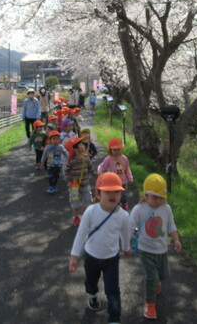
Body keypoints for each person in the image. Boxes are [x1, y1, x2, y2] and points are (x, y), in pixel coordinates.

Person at [69, 172, 131, 324]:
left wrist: (127, 247)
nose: (113, 195)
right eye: (108, 191)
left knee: (113, 291)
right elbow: (81, 234)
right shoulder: (91, 212)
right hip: (91, 257)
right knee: (90, 282)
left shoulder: (123, 216)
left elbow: (125, 234)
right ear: (97, 193)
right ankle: (92, 295)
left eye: (117, 191)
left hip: (111, 258)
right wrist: (74, 255)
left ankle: (114, 318)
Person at [129, 174, 181, 320]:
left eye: (161, 197)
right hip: (145, 250)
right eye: (154, 197)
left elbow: (171, 225)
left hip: (162, 250)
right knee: (151, 277)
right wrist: (125, 242)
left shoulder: (166, 208)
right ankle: (149, 303)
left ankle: (156, 281)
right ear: (145, 195)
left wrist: (176, 240)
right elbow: (130, 225)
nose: (158, 201)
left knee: (163, 274)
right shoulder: (139, 209)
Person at [64, 136, 95, 226]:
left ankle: (87, 215)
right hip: (74, 186)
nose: (83, 144)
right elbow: (66, 172)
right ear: (75, 149)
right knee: (75, 202)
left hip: (85, 184)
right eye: (80, 144)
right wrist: (68, 181)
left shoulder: (86, 158)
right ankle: (76, 216)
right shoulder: (71, 161)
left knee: (88, 200)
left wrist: (97, 175)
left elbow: (91, 168)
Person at [97, 138, 134, 211]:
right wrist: (99, 172)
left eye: (118, 149)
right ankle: (115, 207)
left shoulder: (124, 158)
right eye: (114, 150)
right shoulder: (109, 159)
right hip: (112, 182)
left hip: (122, 181)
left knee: (123, 196)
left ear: (121, 149)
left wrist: (130, 178)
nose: (116, 152)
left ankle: (124, 204)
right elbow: (102, 166)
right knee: (114, 196)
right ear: (110, 150)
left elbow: (127, 169)